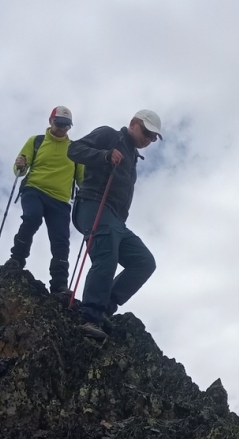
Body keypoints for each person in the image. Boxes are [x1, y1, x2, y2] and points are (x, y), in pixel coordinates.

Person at [67, 110, 162, 340]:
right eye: (147, 132)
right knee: (107, 254)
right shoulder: (109, 135)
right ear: (132, 124)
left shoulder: (133, 158)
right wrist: (105, 155)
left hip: (116, 219)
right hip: (92, 203)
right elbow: (73, 150)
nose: (148, 139)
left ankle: (104, 307)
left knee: (144, 262)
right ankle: (90, 316)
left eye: (153, 137)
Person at [2, 106, 84, 298]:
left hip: (60, 200)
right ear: (51, 121)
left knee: (61, 240)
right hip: (34, 190)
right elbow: (20, 169)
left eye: (67, 125)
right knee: (32, 218)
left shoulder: (75, 150)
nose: (62, 128)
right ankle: (17, 259)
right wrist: (20, 165)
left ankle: (59, 284)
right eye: (59, 123)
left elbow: (82, 180)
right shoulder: (36, 141)